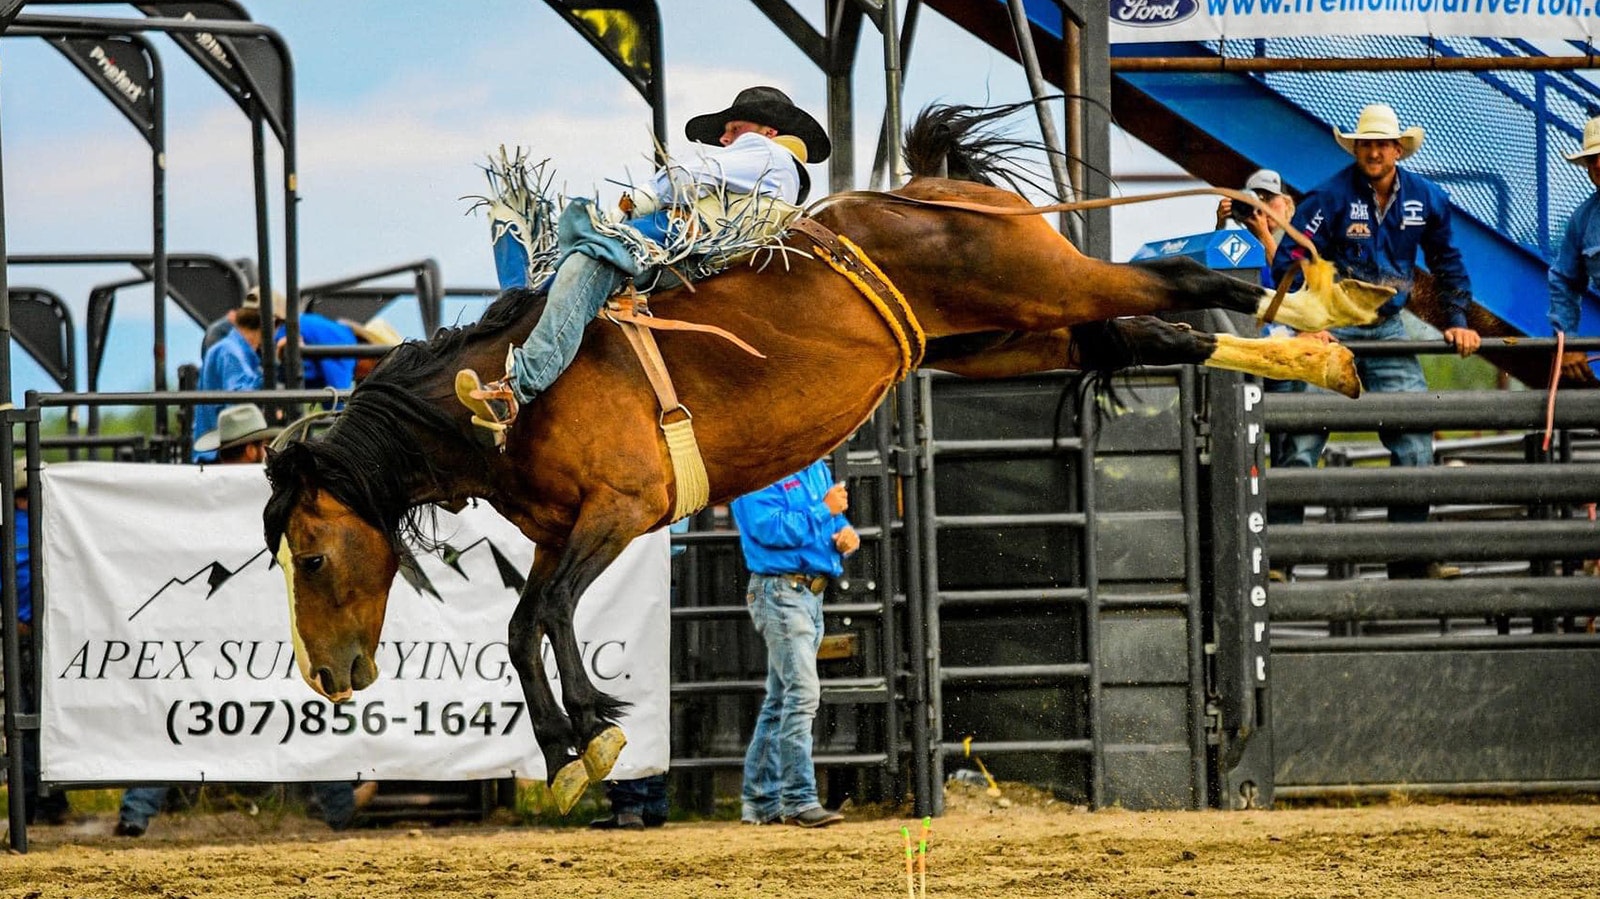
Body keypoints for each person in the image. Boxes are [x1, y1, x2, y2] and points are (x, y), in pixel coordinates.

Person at [457, 86, 830, 431]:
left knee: (591, 258)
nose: (724, 138)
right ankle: (524, 306)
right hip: (695, 256)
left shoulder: (767, 153)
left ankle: (518, 385)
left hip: (678, 240)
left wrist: (644, 197)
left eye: (734, 128)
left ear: (769, 132)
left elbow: (694, 174)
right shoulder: (783, 178)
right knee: (582, 263)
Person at [117, 406, 377, 836]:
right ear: (257, 448)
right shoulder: (279, 498)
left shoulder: (198, 494)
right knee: (301, 707)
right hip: (259, 624)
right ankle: (338, 804)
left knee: (179, 709)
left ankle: (136, 811)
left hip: (208, 627)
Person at [1268, 102, 1481, 580]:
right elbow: (1290, 258)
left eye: (1382, 144)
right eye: (1366, 143)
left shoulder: (1425, 199)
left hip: (1386, 326)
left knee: (1414, 435)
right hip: (1331, 325)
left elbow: (1448, 262)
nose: (1374, 151)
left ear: (1398, 149)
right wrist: (1304, 323)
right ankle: (1279, 558)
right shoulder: (1329, 197)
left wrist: (1458, 319)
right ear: (1357, 148)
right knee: (1301, 436)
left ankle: (1407, 555)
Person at [730, 459, 858, 828]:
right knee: (801, 694)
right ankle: (798, 798)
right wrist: (826, 511)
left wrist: (846, 536)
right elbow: (768, 529)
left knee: (782, 698)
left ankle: (762, 801)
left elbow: (832, 523)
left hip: (798, 593)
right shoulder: (758, 470)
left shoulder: (807, 467)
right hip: (785, 592)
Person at [588, 517, 689, 831]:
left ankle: (632, 798)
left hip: (624, 579)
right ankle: (650, 797)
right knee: (649, 683)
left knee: (624, 678)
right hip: (652, 575)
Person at [13, 459, 72, 826]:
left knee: (28, 718)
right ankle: (46, 799)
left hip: (28, 631)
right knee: (44, 715)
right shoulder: (53, 527)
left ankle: (33, 801)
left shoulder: (20, 530)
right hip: (51, 631)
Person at [1547, 115, 1600, 383]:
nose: (1599, 164)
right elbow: (1564, 281)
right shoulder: (1583, 221)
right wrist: (1568, 341)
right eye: (1592, 158)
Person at [191, 289, 265, 464]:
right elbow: (240, 402)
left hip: (219, 455)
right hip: (226, 458)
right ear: (271, 325)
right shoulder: (231, 352)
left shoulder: (227, 349)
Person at [1214, 168, 1296, 266]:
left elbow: (1289, 276)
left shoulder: (1301, 234)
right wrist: (1221, 229)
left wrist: (1263, 234)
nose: (1263, 206)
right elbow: (1217, 269)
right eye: (1256, 200)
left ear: (1287, 203)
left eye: (1269, 198)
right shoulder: (1244, 241)